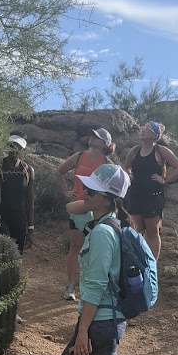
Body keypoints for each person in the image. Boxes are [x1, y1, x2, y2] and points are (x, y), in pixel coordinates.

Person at [47, 162, 133, 355]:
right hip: (101, 318)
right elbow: (71, 205)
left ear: (107, 198)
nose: (84, 191)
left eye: (91, 189)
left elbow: (95, 287)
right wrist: (93, 195)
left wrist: (84, 332)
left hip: (99, 322)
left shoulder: (101, 235)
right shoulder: (104, 220)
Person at [55, 128, 116, 301]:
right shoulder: (79, 156)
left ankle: (91, 286)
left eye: (98, 137)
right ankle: (70, 286)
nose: (92, 137)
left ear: (104, 144)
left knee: (94, 249)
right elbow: (59, 171)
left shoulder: (107, 164)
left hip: (96, 210)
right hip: (79, 207)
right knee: (75, 247)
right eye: (93, 135)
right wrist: (67, 191)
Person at [123, 121, 178, 260]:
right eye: (143, 128)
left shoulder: (160, 151)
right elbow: (125, 167)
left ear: (155, 135)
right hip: (136, 195)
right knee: (135, 231)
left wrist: (165, 180)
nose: (143, 130)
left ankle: (151, 267)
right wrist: (129, 176)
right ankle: (136, 263)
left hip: (153, 196)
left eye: (147, 129)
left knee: (152, 232)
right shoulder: (134, 150)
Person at [0, 135, 35, 254]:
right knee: (2, 251)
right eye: (12, 146)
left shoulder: (27, 170)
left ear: (23, 149)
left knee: (16, 254)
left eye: (18, 147)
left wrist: (31, 227)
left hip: (19, 217)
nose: (14, 150)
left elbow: (30, 199)